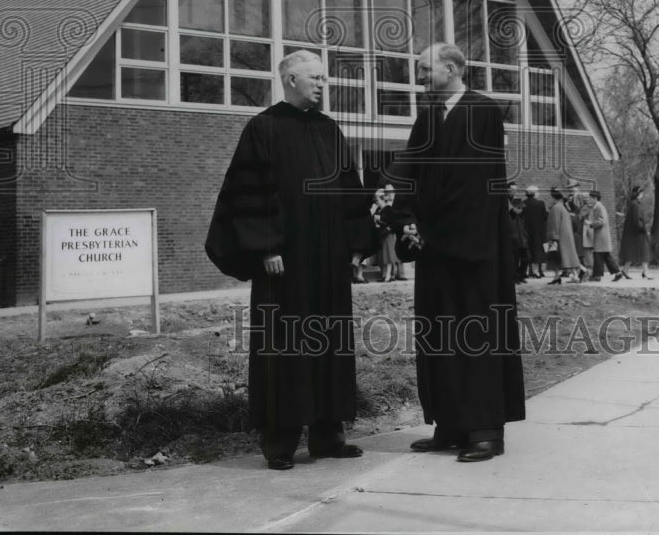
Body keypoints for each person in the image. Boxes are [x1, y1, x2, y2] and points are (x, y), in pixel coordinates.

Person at [205, 50, 377, 470]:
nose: (322, 84)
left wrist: (356, 242)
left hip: (329, 260)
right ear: (290, 80)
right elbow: (247, 192)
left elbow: (349, 188)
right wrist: (265, 245)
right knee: (285, 347)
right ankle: (280, 442)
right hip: (285, 262)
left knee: (329, 342)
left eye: (324, 78)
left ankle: (328, 436)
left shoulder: (329, 129)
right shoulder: (263, 128)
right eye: (314, 77)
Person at [379, 42, 525, 463]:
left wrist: (428, 228)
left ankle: (484, 431)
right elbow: (409, 170)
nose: (419, 76)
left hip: (472, 248)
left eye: (424, 68)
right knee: (439, 336)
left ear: (452, 68)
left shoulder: (483, 112)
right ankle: (449, 424)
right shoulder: (427, 117)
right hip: (435, 248)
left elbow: (471, 183)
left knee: (476, 337)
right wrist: (403, 219)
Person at [546, 187, 587, 284]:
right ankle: (576, 273)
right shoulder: (562, 208)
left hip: (556, 237)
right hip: (565, 236)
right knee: (566, 257)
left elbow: (554, 224)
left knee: (555, 257)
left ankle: (558, 277)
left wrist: (552, 238)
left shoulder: (556, 208)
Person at [587, 190, 625, 281]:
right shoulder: (598, 207)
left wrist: (591, 224)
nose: (589, 200)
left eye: (590, 198)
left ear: (595, 198)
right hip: (602, 237)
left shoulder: (599, 207)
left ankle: (597, 276)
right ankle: (617, 273)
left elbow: (602, 221)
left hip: (601, 237)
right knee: (605, 256)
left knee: (598, 255)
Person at [371, 185, 407, 281]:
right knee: (385, 256)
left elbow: (392, 223)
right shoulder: (381, 209)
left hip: (389, 234)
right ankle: (387, 275)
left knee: (389, 255)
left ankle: (389, 276)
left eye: (377, 200)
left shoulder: (388, 208)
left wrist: (381, 222)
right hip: (383, 234)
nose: (376, 202)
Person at [619, 185, 653, 279]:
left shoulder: (633, 204)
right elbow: (636, 220)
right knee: (644, 251)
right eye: (641, 193)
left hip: (633, 233)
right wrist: (644, 228)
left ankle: (625, 270)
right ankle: (645, 272)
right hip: (638, 233)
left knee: (632, 252)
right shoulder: (635, 205)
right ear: (638, 194)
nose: (642, 195)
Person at [523, 185, 547, 278]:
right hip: (538, 231)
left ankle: (529, 271)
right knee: (537, 251)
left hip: (526, 231)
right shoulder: (540, 203)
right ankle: (537, 271)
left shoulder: (523, 203)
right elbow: (544, 216)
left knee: (528, 250)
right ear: (534, 193)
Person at [507, 192, 529, 284]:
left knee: (526, 259)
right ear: (514, 207)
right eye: (519, 208)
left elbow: (522, 228)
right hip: (514, 242)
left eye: (521, 208)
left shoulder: (520, 217)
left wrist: (525, 238)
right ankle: (515, 277)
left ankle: (520, 275)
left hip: (522, 241)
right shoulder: (509, 216)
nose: (521, 210)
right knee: (514, 261)